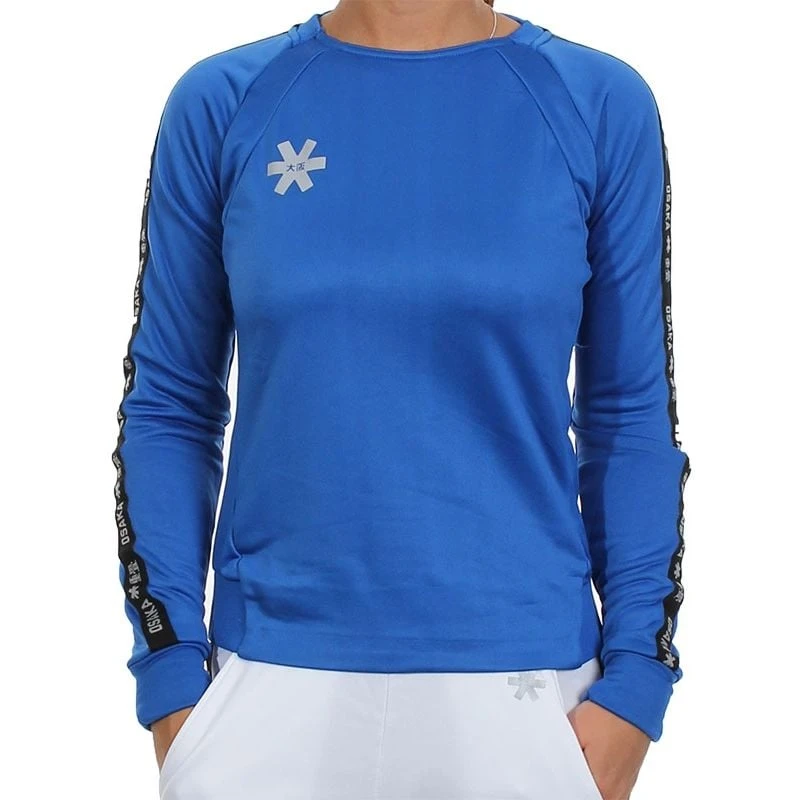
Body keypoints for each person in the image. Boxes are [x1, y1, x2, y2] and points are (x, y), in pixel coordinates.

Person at [111, 1, 692, 798]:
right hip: (267, 686)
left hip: (528, 694)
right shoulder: (223, 100)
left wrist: (636, 683)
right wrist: (171, 674)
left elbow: (630, 418)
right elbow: (169, 406)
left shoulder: (598, 103)